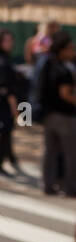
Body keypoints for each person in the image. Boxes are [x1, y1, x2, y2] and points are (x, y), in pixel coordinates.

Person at [0, 30, 25, 176]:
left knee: (7, 132)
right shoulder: (1, 60)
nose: (10, 43)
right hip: (3, 103)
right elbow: (6, 87)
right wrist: (14, 107)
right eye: (6, 40)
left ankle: (11, 157)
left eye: (10, 40)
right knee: (4, 132)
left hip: (1, 101)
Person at [41, 31, 76, 196]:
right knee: (70, 154)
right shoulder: (64, 70)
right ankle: (70, 187)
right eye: (70, 48)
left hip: (48, 114)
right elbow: (66, 94)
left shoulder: (47, 64)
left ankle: (48, 185)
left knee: (50, 152)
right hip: (64, 116)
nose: (73, 51)